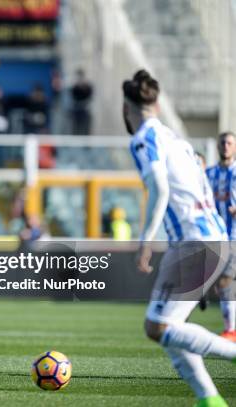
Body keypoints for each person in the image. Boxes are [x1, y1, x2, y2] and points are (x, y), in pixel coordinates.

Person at [124, 70, 236, 407]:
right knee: (169, 327)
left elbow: (159, 186)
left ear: (127, 108)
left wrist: (145, 240)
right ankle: (209, 399)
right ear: (157, 103)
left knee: (157, 326)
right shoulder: (178, 140)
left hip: (193, 242)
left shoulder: (144, 139)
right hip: (214, 238)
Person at [204, 131, 236, 341]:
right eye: (223, 142)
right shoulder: (209, 174)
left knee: (225, 281)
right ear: (217, 146)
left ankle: (230, 331)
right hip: (215, 236)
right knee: (224, 284)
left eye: (230, 143)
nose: (225, 146)